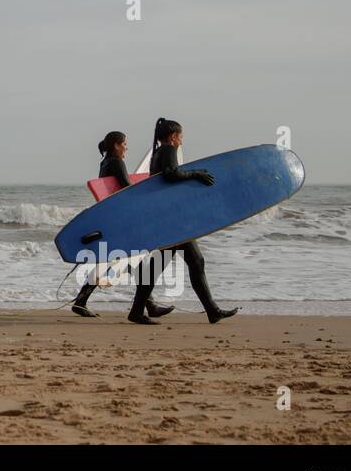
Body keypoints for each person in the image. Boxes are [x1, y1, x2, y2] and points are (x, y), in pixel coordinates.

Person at [127, 118, 239, 326]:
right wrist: (196, 174)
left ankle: (212, 311)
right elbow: (171, 174)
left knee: (193, 262)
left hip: (169, 217)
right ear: (173, 136)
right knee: (170, 264)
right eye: (181, 136)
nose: (182, 140)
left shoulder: (158, 153)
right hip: (173, 220)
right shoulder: (168, 150)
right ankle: (137, 311)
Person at [71, 131, 174, 319]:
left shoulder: (105, 163)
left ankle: (148, 305)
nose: (127, 147)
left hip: (112, 217)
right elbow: (129, 189)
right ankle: (81, 301)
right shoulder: (116, 162)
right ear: (117, 145)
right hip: (120, 220)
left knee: (130, 261)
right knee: (128, 261)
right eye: (125, 143)